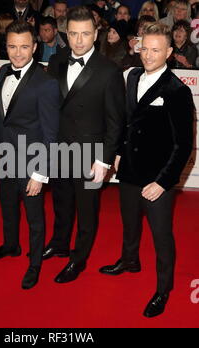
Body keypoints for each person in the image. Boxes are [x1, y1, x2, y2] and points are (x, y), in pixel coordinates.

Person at [99, 23, 194, 318]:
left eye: (156, 50)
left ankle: (163, 289)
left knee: (161, 235)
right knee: (129, 224)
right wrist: (116, 155)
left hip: (156, 178)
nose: (149, 55)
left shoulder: (177, 90)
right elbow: (126, 122)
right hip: (128, 170)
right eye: (145, 48)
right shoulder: (132, 76)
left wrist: (163, 182)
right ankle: (129, 260)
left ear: (168, 52)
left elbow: (184, 145)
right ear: (138, 47)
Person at [46, 6, 126, 284]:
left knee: (87, 209)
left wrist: (104, 161)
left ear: (96, 33)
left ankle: (78, 260)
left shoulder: (109, 70)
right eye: (73, 34)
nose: (79, 41)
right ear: (65, 33)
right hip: (59, 148)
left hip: (90, 154)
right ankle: (58, 242)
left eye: (85, 34)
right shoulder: (56, 61)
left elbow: (116, 121)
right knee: (61, 201)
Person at [0, 20, 60, 290]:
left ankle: (35, 263)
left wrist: (40, 174)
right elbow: (0, 119)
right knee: (7, 206)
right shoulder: (3, 71)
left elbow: (51, 135)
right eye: (12, 47)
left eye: (24, 47)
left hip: (32, 162)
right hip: (5, 157)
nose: (17, 53)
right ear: (6, 47)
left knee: (34, 218)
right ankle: (10, 245)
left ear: (35, 48)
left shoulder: (46, 83)